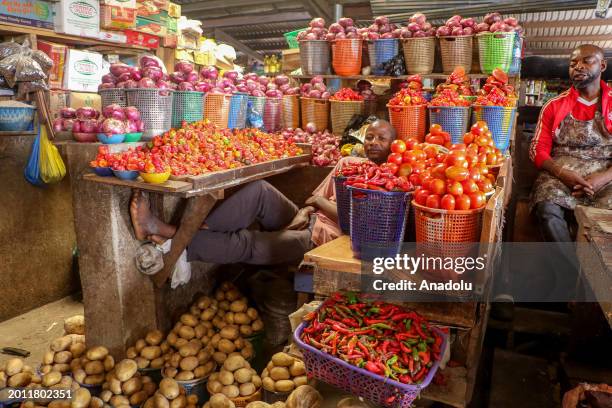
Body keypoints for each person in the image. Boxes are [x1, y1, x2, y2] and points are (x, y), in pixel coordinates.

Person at [129, 119, 397, 268]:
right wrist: (307, 209)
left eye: (380, 139)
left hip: (324, 240)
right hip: (309, 220)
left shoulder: (391, 185)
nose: (373, 143)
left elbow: (355, 224)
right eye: (370, 137)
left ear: (392, 145)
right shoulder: (348, 163)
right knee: (260, 191)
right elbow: (314, 199)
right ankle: (193, 228)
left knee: (250, 242)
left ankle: (170, 232)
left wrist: (318, 203)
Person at [527, 44, 611, 300]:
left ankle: (602, 283)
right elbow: (537, 150)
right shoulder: (555, 105)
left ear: (602, 66)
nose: (579, 67)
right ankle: (574, 278)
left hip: (605, 173)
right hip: (562, 173)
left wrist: (603, 178)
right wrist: (562, 173)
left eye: (588, 61)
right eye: (574, 63)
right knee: (546, 208)